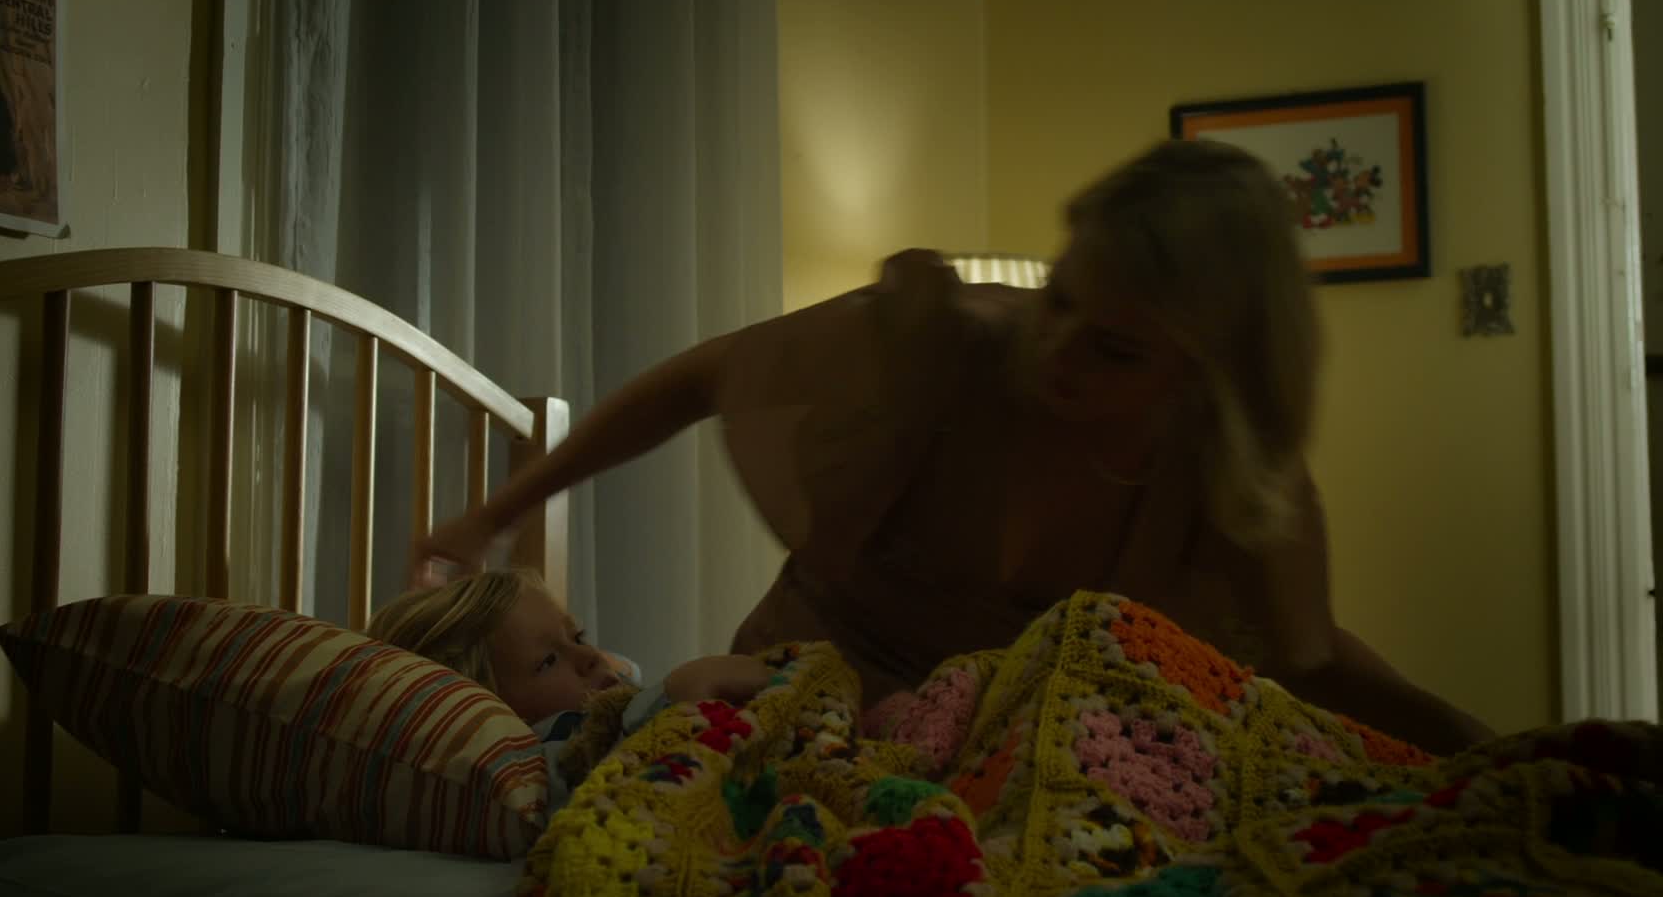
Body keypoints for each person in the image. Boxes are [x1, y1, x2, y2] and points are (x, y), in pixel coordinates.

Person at [410, 140, 1493, 755]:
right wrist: (500, 510)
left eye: (1114, 348)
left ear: (1206, 375)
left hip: (1003, 759)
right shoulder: (945, 345)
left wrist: (1487, 747)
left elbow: (1311, 657)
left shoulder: (1234, 486)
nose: (1056, 351)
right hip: (801, 703)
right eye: (1059, 299)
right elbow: (705, 379)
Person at [365, 570, 772, 811]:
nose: (589, 656)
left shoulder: (619, 693)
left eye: (577, 636)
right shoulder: (532, 762)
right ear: (486, 706)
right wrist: (679, 698)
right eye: (547, 661)